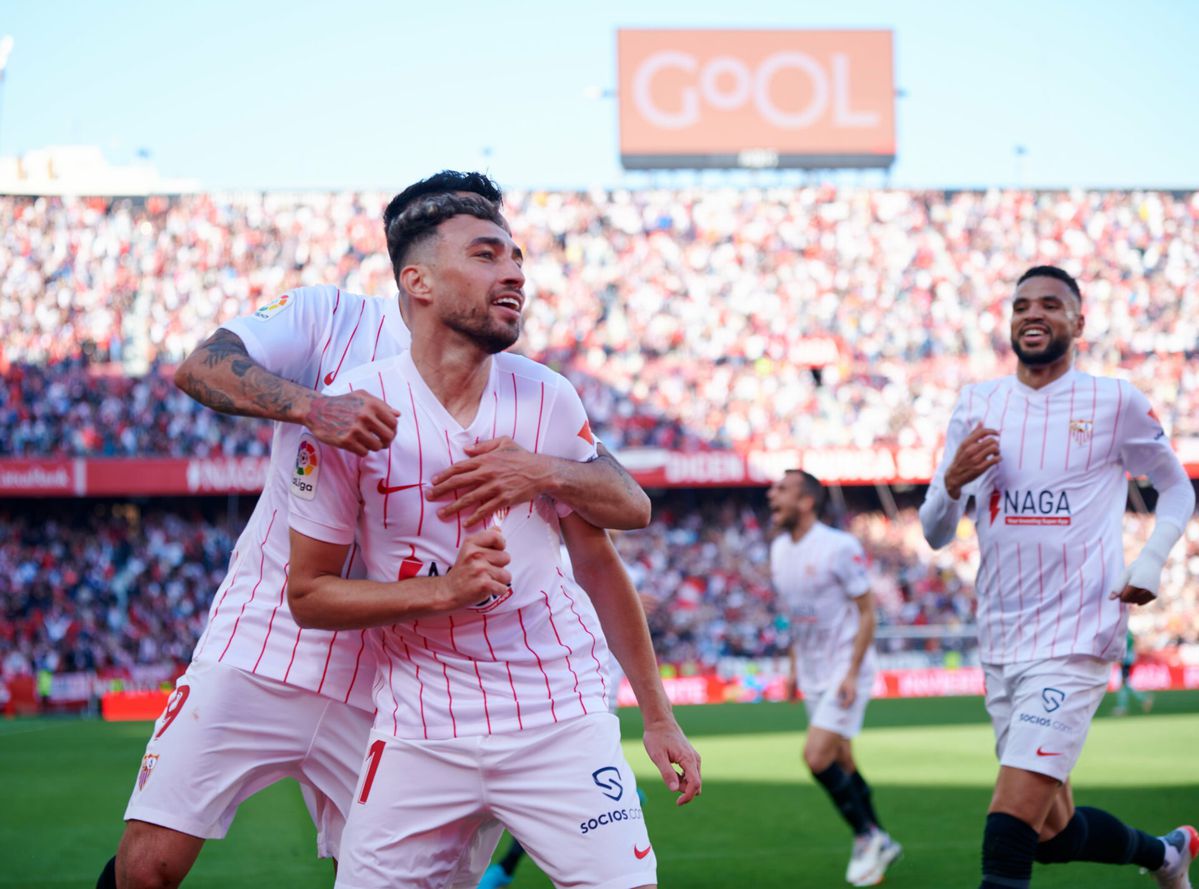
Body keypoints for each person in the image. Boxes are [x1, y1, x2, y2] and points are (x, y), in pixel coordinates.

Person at [100, 171, 653, 889]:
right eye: (477, 240)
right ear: (412, 260)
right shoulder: (327, 316)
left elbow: (612, 493)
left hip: (396, 669)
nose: (504, 263)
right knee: (148, 866)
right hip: (268, 634)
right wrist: (310, 406)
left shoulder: (515, 374)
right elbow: (200, 365)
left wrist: (540, 473)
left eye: (500, 239)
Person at [287, 183, 700, 889]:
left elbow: (600, 561)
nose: (514, 272)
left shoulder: (545, 396)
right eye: (486, 256)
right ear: (416, 282)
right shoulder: (349, 412)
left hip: (558, 714)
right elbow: (308, 595)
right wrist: (442, 591)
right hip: (420, 722)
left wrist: (656, 716)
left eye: (516, 257)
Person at [919, 265, 1197, 889]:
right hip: (1003, 640)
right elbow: (936, 531)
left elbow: (1178, 489)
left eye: (1050, 304)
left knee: (1008, 830)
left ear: (1079, 322)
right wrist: (953, 481)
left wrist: (1150, 559)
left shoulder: (1113, 400)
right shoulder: (977, 403)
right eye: (1021, 305)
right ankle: (1166, 854)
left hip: (1078, 635)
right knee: (1052, 834)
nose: (1032, 314)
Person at [767, 469, 901, 887]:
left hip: (845, 670)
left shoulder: (839, 547)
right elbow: (795, 617)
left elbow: (866, 613)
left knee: (817, 757)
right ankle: (882, 839)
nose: (772, 495)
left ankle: (867, 836)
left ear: (806, 501)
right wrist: (793, 669)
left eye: (782, 490)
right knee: (843, 759)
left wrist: (852, 673)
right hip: (812, 671)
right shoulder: (778, 550)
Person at [1112, 628, 1153, 716]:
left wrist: (1120, 659)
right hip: (1129, 659)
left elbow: (1125, 646)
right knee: (1125, 685)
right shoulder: (1127, 630)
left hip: (1125, 660)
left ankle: (1142, 699)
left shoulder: (1122, 631)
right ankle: (1142, 699)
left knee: (1124, 684)